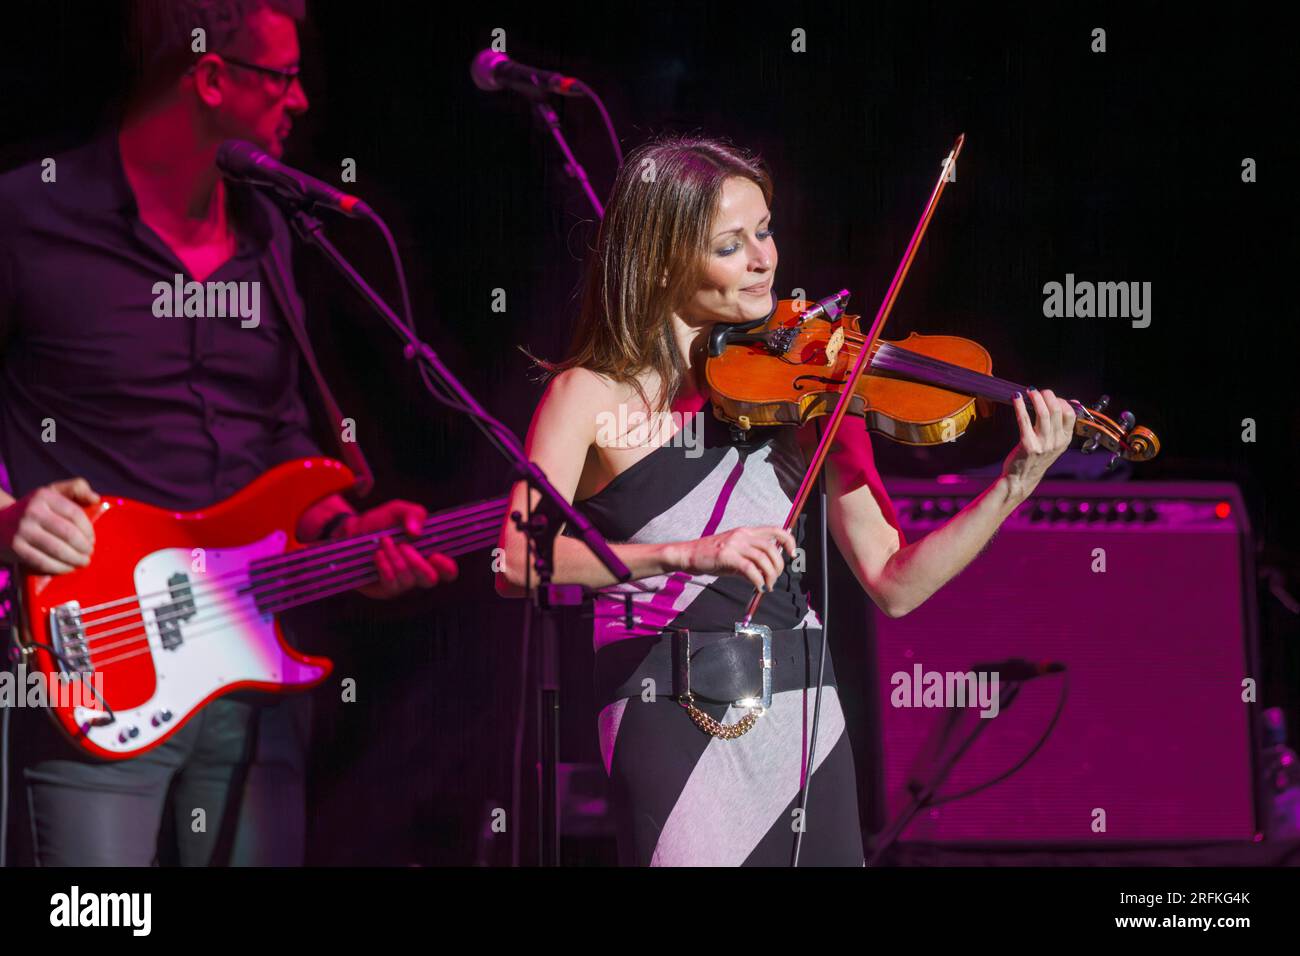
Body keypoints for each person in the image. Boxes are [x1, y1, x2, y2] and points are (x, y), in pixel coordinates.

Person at [495, 134, 1076, 866]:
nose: (765, 259)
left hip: (799, 706)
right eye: (731, 245)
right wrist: (683, 554)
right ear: (664, 258)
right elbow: (516, 557)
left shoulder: (811, 390)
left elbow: (895, 583)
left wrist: (1013, 485)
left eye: (764, 231)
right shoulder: (588, 395)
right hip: (660, 703)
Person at [0, 0, 456, 866]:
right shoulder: (27, 216)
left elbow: (279, 430)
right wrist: (4, 514)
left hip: (255, 666)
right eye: (282, 78)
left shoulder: (269, 231)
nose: (301, 102)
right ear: (210, 78)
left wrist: (343, 533)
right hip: (91, 658)